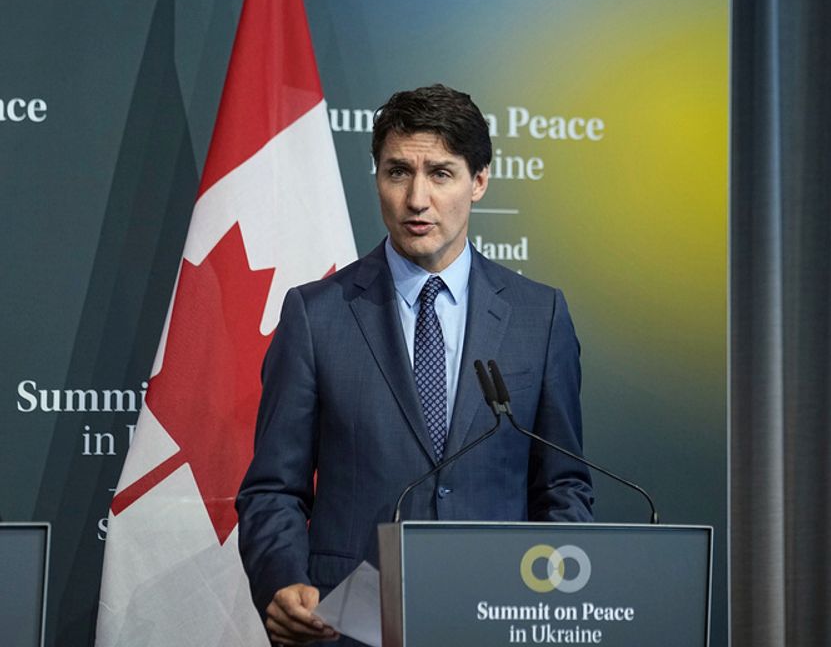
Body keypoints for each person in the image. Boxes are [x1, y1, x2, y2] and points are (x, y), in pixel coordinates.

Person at [236, 84, 594, 645]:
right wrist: (282, 580)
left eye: (441, 174)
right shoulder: (315, 315)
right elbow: (273, 490)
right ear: (377, 176)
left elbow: (564, 488)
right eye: (398, 172)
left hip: (497, 620)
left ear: (479, 181)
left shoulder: (539, 317)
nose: (416, 199)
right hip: (347, 627)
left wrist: (546, 604)